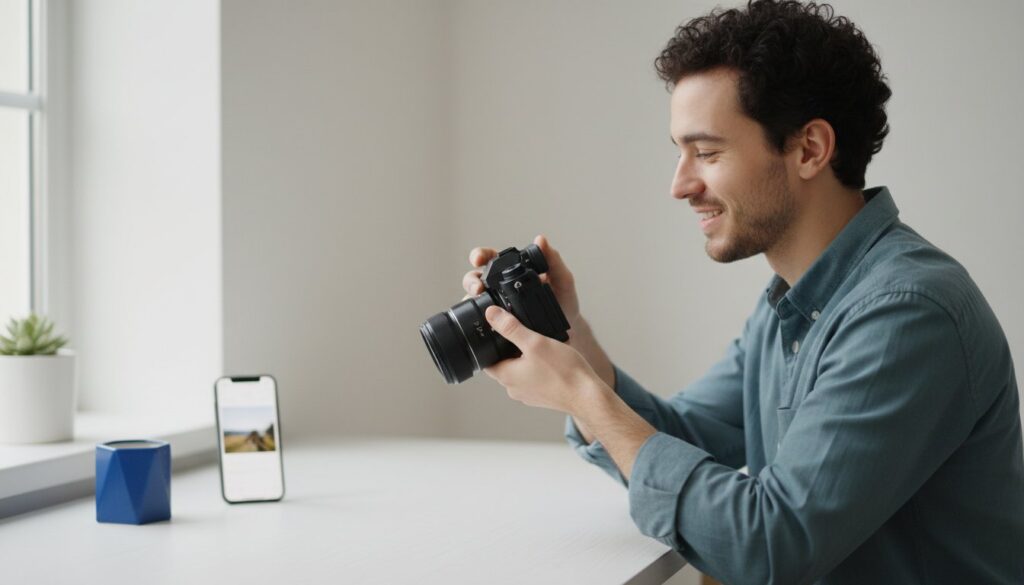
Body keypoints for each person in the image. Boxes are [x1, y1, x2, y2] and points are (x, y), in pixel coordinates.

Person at [460, 1, 1024, 583]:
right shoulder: (792, 304)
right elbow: (680, 438)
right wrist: (570, 338)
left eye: (706, 153)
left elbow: (769, 546)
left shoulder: (905, 314)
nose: (680, 184)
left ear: (809, 149)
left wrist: (583, 396)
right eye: (680, 152)